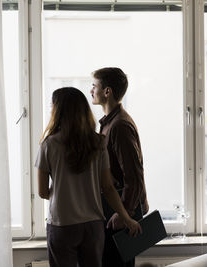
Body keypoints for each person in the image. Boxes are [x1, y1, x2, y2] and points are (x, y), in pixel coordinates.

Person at [35, 87, 141, 267]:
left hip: (62, 224)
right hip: (92, 226)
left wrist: (63, 189)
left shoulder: (49, 145)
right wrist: (127, 218)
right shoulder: (98, 142)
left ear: (57, 110)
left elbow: (43, 192)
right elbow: (108, 188)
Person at [91, 67, 148, 267]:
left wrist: (124, 213)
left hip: (119, 213)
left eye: (94, 86)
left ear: (107, 91)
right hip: (112, 209)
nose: (91, 91)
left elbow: (133, 175)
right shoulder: (109, 123)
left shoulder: (119, 126)